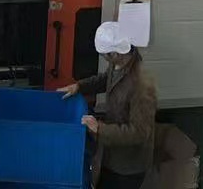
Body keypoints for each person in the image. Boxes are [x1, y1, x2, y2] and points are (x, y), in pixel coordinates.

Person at [59, 21, 157, 189]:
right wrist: (79, 86)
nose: (105, 58)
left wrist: (100, 129)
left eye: (105, 55)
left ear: (115, 53)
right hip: (111, 154)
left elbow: (140, 133)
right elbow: (106, 79)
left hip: (127, 166)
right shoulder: (120, 63)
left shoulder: (142, 85)